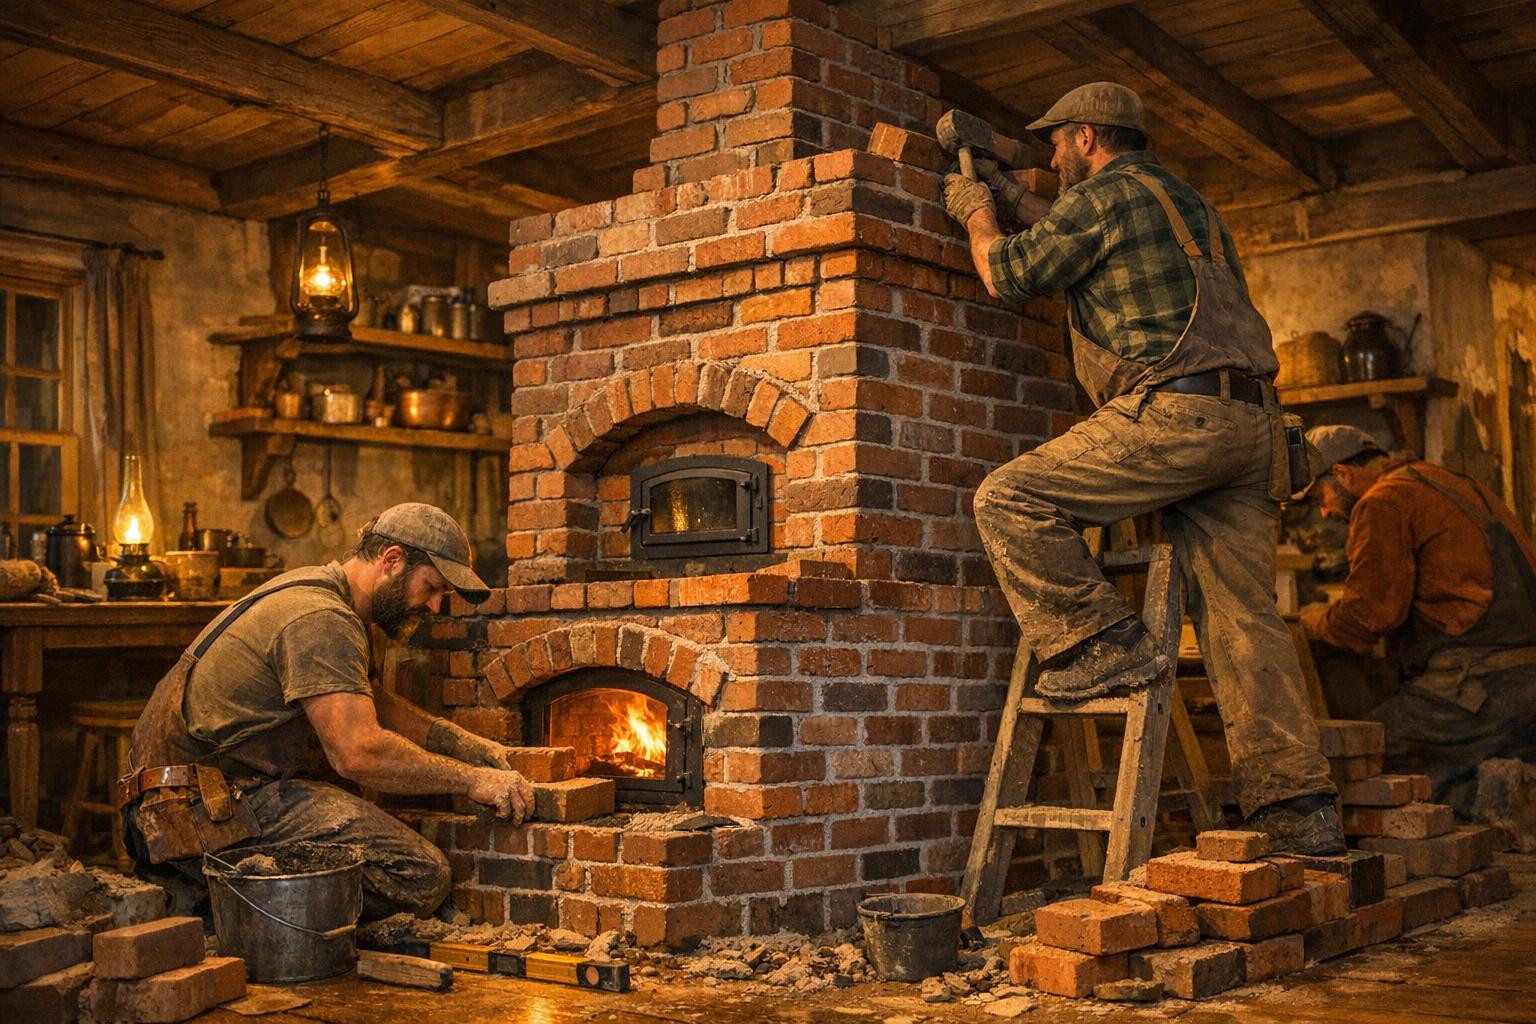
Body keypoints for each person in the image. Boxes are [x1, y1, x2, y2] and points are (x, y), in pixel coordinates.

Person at [942, 81, 1342, 853]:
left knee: (1009, 499)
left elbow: (1008, 273)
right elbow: (1072, 232)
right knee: (1242, 624)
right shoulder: (1182, 203)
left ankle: (1100, 644)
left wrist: (976, 211)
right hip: (1254, 429)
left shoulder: (1107, 196)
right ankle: (1297, 809)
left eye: (1058, 145)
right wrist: (1009, 193)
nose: (1054, 159)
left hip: (1181, 416)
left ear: (1087, 138)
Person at [122, 503, 533, 919]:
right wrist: (471, 780)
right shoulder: (322, 618)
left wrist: (456, 740)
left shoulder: (324, 591)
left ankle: (207, 890)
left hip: (187, 799)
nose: (434, 607)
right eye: (432, 587)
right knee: (420, 873)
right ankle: (208, 904)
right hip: (191, 814)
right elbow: (359, 754)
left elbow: (367, 697)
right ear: (392, 560)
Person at [1296, 425, 1536, 813]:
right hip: (1522, 687)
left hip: (1479, 693)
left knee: (1357, 759)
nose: (1324, 511)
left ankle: (1484, 811)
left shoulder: (1383, 502)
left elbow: (1368, 617)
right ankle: (1499, 801)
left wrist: (1309, 621)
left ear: (1341, 474)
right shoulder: (1446, 481)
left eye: (1318, 497)